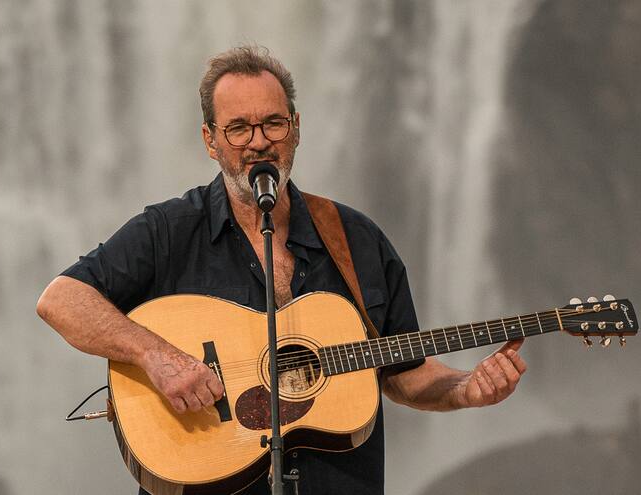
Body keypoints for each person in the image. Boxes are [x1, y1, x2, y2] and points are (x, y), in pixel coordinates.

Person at [36, 45, 528, 495]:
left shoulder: (357, 239)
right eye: (238, 128)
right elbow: (61, 300)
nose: (259, 143)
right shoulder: (168, 230)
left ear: (295, 127)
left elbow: (404, 371)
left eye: (273, 124)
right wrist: (158, 357)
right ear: (210, 139)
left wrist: (466, 388)